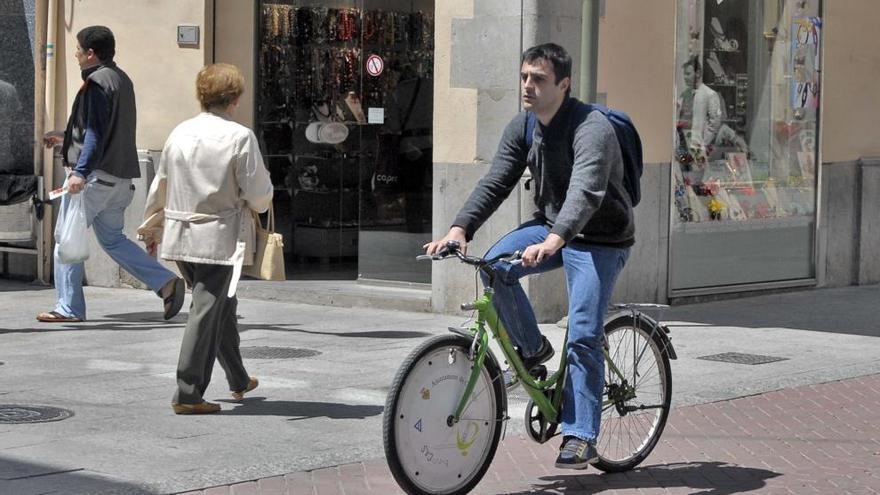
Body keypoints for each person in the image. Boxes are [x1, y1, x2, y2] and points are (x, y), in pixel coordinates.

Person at [424, 43, 633, 469]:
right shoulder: (524, 127)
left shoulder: (591, 127)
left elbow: (586, 191)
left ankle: (580, 435)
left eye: (538, 79)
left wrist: (555, 240)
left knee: (583, 332)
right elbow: (496, 180)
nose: (528, 86)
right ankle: (533, 350)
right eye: (524, 77)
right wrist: (459, 229)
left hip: (600, 239)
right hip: (553, 227)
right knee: (495, 266)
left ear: (564, 84)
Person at [139, 63, 273, 415]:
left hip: (181, 234)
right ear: (235, 98)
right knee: (207, 309)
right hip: (219, 238)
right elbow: (259, 195)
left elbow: (160, 186)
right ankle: (188, 391)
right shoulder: (240, 136)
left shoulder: (179, 133)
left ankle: (239, 378)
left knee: (220, 307)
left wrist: (151, 228)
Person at [37, 26, 184, 323]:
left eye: (78, 50)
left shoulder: (96, 83)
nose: (76, 55)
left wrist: (80, 171)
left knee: (67, 239)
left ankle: (69, 307)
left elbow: (96, 132)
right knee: (114, 240)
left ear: (91, 53)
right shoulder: (121, 79)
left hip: (94, 180)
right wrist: (66, 136)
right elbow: (104, 128)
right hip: (119, 179)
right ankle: (166, 282)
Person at [677, 57, 723, 159]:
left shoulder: (710, 94)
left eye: (688, 74)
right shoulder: (684, 95)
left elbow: (714, 123)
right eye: (684, 74)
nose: (685, 77)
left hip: (698, 148)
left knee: (696, 174)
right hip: (683, 146)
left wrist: (703, 143)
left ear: (697, 73)